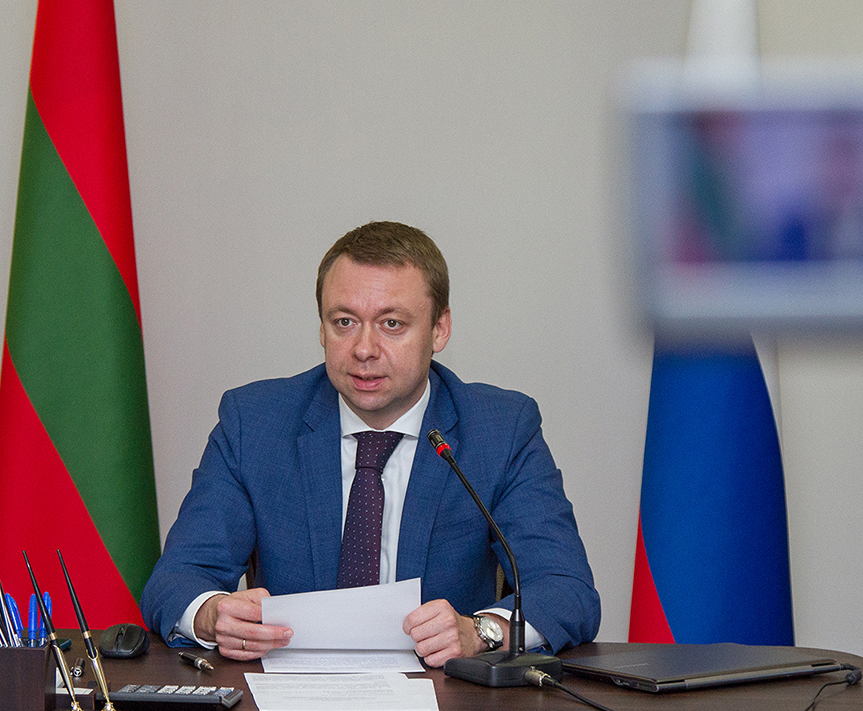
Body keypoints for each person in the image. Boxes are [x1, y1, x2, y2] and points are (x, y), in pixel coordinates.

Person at [140, 221, 599, 666]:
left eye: (392, 324)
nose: (363, 349)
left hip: (446, 703)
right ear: (322, 329)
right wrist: (212, 614)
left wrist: (480, 631)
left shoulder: (500, 430)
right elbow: (177, 579)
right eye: (344, 322)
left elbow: (565, 588)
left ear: (439, 329)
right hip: (287, 700)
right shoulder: (255, 423)